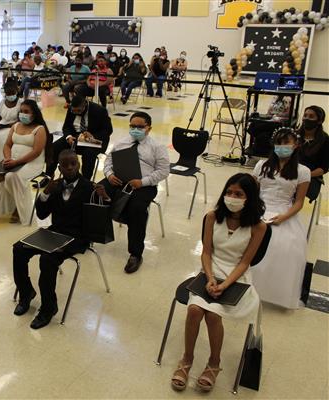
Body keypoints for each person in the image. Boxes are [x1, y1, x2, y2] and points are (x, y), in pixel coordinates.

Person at [171, 173, 266, 393]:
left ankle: (214, 363)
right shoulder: (213, 217)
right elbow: (206, 252)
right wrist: (211, 278)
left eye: (239, 194)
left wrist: (224, 285)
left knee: (213, 315)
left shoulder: (258, 227)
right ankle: (187, 359)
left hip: (237, 276)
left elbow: (245, 262)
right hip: (210, 269)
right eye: (229, 192)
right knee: (194, 310)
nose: (232, 197)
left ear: (250, 198)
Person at [13, 150, 98, 329]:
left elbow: (97, 223)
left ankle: (48, 308)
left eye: (73, 163)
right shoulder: (56, 185)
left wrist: (104, 198)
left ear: (79, 164)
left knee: (47, 259)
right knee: (19, 249)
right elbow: (42, 214)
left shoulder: (89, 187)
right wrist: (45, 193)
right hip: (55, 232)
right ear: (59, 167)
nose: (70, 168)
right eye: (65, 165)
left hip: (77, 237)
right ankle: (26, 292)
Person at [96, 112, 170, 272]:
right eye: (132, 126)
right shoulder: (121, 142)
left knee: (137, 208)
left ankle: (135, 254)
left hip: (143, 184)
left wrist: (142, 182)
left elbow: (163, 171)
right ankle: (94, 235)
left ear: (149, 128)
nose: (135, 129)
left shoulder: (157, 147)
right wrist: (109, 175)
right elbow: (108, 161)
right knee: (95, 193)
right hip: (118, 179)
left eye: (140, 127)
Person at [250, 128, 310, 309]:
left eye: (286, 143)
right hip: (260, 208)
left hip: (283, 211)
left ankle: (271, 291)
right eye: (278, 143)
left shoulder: (302, 171)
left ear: (296, 145)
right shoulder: (261, 165)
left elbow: (299, 202)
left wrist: (283, 217)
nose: (282, 146)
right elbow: (252, 192)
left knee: (285, 246)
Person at [0, 99, 52, 227]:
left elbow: (36, 152)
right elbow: (7, 145)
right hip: (12, 160)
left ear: (34, 113)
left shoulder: (40, 129)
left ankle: (19, 209)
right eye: (21, 111)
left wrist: (16, 162)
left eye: (26, 111)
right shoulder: (15, 126)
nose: (22, 114)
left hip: (32, 163)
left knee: (11, 176)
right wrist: (8, 158)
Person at [44, 95, 112, 183]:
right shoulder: (72, 109)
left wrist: (93, 136)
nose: (76, 113)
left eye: (79, 111)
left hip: (94, 141)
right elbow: (66, 126)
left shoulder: (100, 110)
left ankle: (84, 182)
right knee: (54, 147)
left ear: (85, 105)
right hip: (76, 137)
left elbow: (108, 130)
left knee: (88, 154)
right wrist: (68, 136)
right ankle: (48, 176)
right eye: (74, 111)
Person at [297, 106, 328, 200]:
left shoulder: (325, 140)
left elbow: (323, 168)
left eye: (311, 116)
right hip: (291, 172)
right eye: (305, 115)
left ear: (319, 121)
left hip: (312, 176)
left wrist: (305, 175)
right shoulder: (294, 135)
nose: (306, 118)